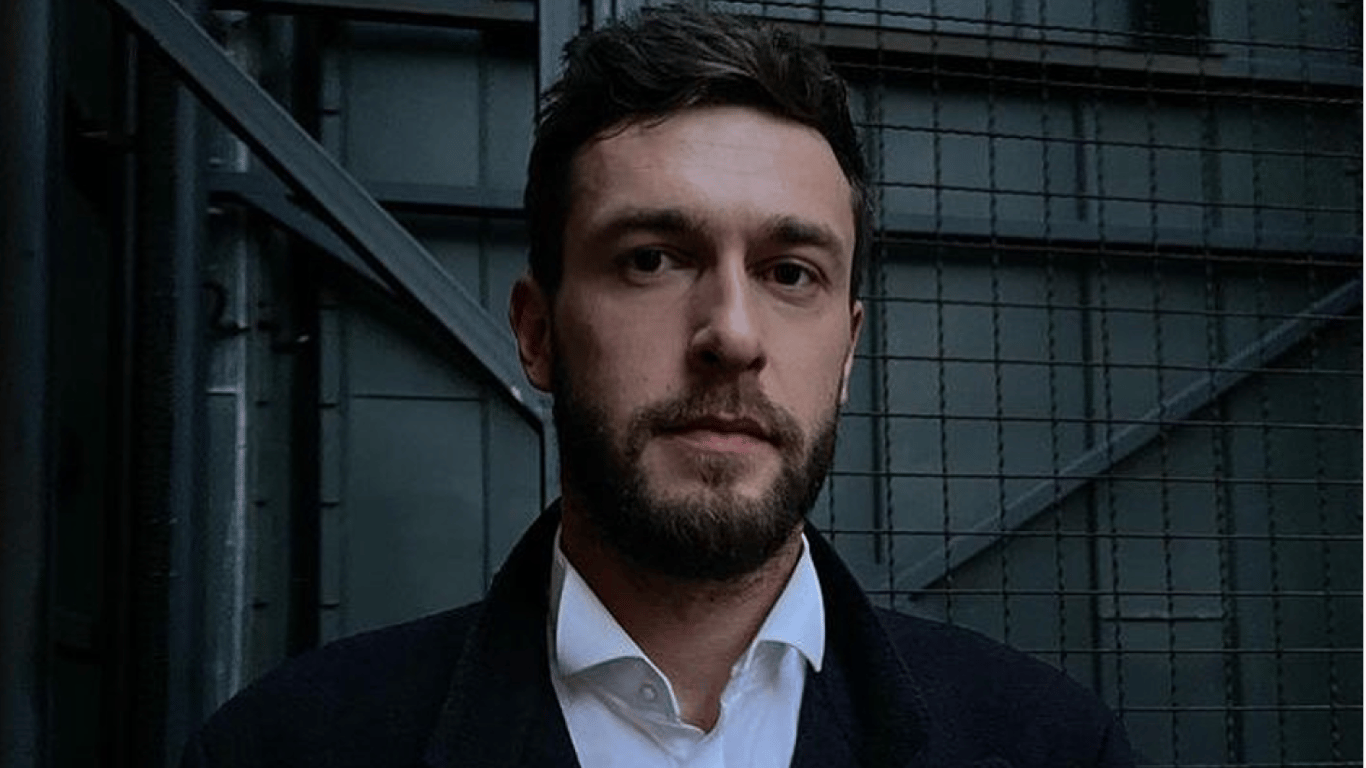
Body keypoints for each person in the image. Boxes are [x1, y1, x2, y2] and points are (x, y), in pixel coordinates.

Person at [181, 6, 1135, 767]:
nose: (732, 335)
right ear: (538, 332)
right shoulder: (287, 747)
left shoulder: (1053, 747)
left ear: (847, 353)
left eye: (790, 272)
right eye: (652, 259)